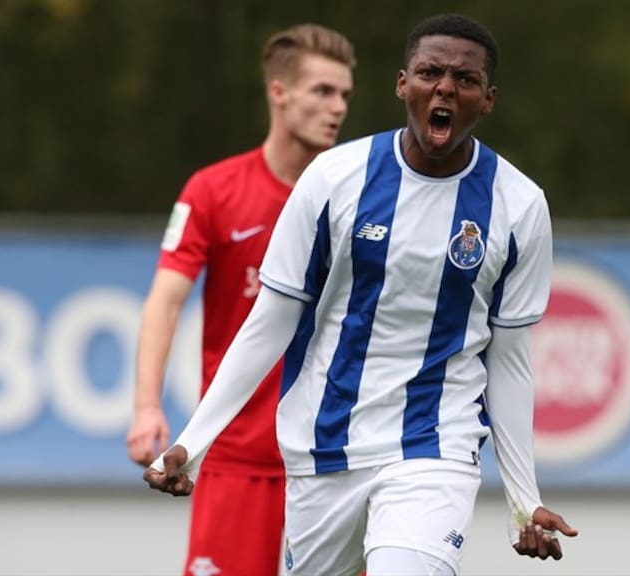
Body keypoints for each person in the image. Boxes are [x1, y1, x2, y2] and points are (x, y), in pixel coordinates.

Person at [144, 13, 578, 576]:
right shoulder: (333, 178)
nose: (445, 88)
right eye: (430, 72)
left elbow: (510, 360)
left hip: (435, 445)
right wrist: (192, 444)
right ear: (403, 84)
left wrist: (524, 499)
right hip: (324, 446)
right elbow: (269, 323)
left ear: (488, 98)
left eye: (465, 80)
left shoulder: (519, 205)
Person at [127, 23, 356, 576]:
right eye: (322, 91)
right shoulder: (213, 190)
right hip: (237, 456)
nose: (338, 108)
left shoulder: (360, 192)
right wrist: (146, 406)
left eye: (345, 94)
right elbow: (164, 301)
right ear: (279, 92)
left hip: (339, 459)